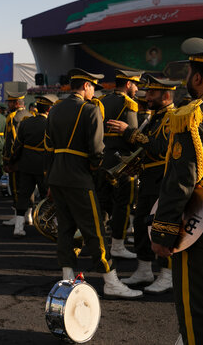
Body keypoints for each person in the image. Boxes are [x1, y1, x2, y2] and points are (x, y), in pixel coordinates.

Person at [45, 68, 142, 299]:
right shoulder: (90, 109)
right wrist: (94, 169)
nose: (93, 92)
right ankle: (110, 279)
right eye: (93, 87)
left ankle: (67, 277)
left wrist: (50, 177)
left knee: (66, 228)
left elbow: (48, 146)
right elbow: (98, 150)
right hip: (79, 176)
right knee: (95, 229)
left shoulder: (56, 108)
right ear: (87, 86)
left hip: (57, 175)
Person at [150, 37, 203, 344]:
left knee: (194, 309)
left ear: (197, 77)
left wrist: (163, 234)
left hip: (200, 226)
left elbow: (181, 180)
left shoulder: (190, 118)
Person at [107, 74, 180, 294]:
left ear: (166, 95)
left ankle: (167, 275)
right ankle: (144, 270)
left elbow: (160, 147)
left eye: (152, 93)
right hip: (148, 180)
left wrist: (129, 132)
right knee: (141, 225)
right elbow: (148, 149)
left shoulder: (174, 117)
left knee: (161, 227)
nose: (146, 96)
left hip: (163, 181)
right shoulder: (155, 117)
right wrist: (135, 166)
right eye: (147, 91)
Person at [97, 69, 143, 260]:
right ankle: (117, 244)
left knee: (102, 202)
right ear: (129, 84)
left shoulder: (102, 100)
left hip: (102, 158)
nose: (137, 88)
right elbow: (131, 136)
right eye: (136, 84)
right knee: (123, 203)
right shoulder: (128, 103)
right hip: (122, 160)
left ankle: (97, 243)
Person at [10, 94, 57, 237]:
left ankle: (18, 227)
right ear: (49, 109)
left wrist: (12, 161)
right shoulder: (52, 124)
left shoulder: (26, 122)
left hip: (26, 164)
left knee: (23, 194)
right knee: (48, 196)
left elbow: (17, 146)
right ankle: (52, 225)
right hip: (44, 166)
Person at [3, 89, 30, 224]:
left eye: (10, 102)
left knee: (16, 188)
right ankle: (29, 216)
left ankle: (18, 216)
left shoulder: (13, 117)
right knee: (27, 188)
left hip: (17, 159)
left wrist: (9, 160)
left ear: (15, 103)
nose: (8, 105)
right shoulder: (30, 115)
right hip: (28, 157)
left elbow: (12, 141)